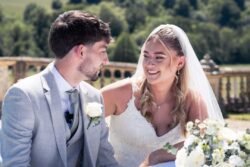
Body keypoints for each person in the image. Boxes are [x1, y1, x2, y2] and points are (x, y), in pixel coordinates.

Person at [1, 10, 119, 167]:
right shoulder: (23, 97)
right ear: (81, 51)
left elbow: (105, 159)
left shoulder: (94, 97)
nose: (106, 60)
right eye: (103, 51)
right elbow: (15, 164)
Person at [101, 24, 224, 167]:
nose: (149, 64)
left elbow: (205, 144)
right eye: (146, 56)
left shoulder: (192, 100)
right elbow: (78, 127)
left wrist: (157, 156)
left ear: (180, 62)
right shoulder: (120, 93)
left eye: (159, 58)